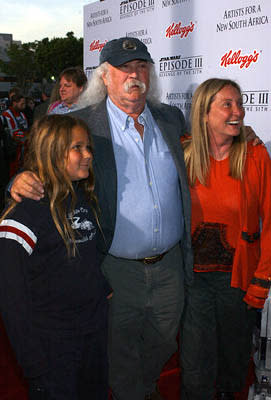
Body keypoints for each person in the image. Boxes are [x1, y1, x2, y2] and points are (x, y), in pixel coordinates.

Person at [9, 37, 193, 400]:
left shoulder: (171, 119)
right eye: (124, 69)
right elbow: (40, 168)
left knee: (163, 342)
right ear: (104, 77)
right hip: (115, 265)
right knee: (119, 350)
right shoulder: (80, 124)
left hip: (170, 265)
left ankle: (143, 386)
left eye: (141, 67)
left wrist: (242, 136)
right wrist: (18, 180)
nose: (134, 75)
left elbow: (208, 147)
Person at [0, 114, 111, 400]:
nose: (88, 155)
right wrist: (33, 361)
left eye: (88, 147)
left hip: (92, 336)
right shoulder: (23, 215)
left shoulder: (81, 196)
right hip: (53, 348)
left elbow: (82, 258)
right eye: (77, 148)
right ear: (52, 152)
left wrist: (101, 288)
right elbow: (12, 298)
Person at [180, 78, 271, 400]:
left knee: (232, 363)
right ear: (205, 113)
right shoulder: (183, 152)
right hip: (193, 280)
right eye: (227, 104)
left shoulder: (255, 156)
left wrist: (262, 280)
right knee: (194, 364)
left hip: (237, 281)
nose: (238, 112)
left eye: (240, 104)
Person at [2, 93, 28, 177]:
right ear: (14, 103)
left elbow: (25, 128)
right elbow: (11, 133)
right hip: (12, 150)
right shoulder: (6, 115)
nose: (24, 106)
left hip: (23, 149)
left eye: (24, 104)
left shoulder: (22, 114)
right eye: (22, 104)